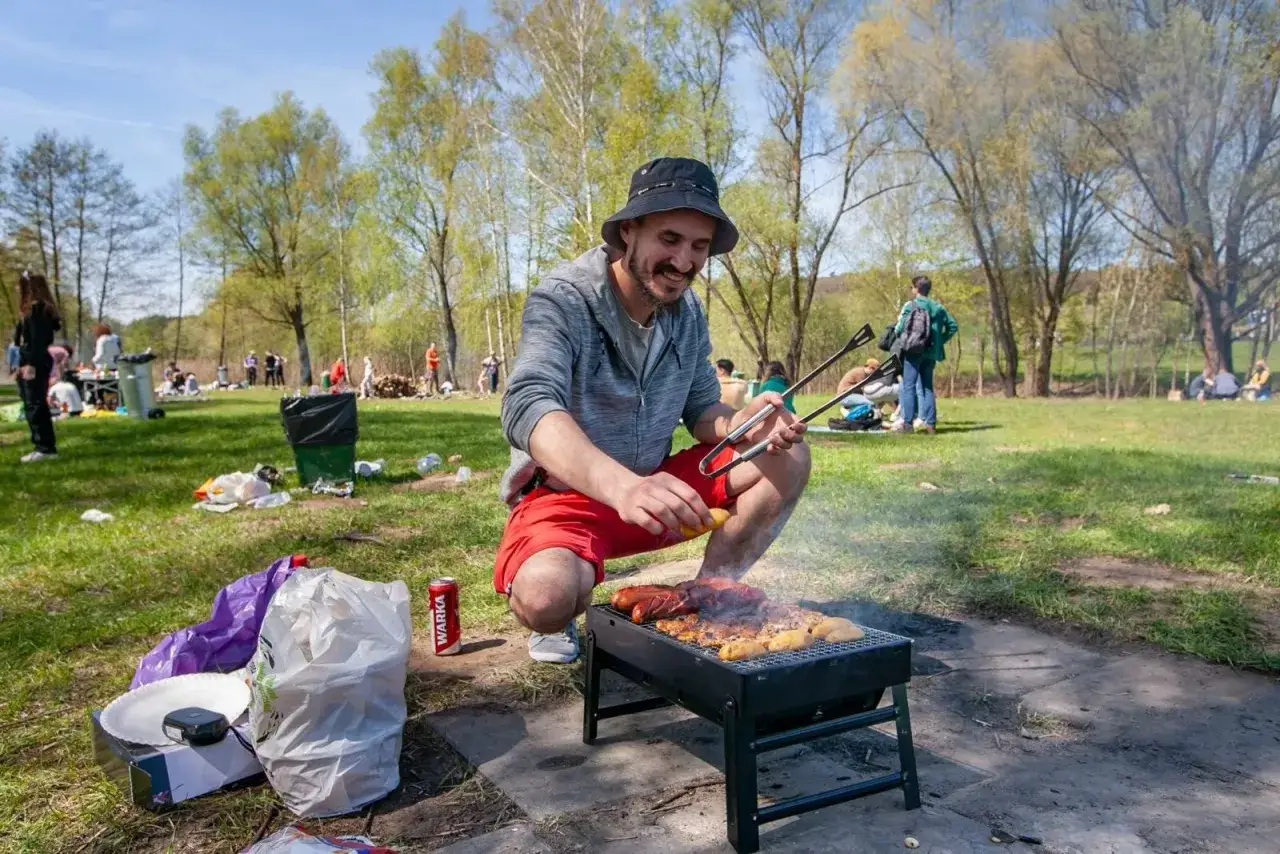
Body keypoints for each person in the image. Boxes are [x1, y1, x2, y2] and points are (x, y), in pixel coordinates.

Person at [497, 156, 809, 664]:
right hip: (569, 499)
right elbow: (528, 405)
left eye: (699, 246)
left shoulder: (686, 313)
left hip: (659, 491)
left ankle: (709, 594)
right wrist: (623, 487)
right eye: (670, 238)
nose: (684, 261)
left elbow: (703, 411)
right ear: (629, 232)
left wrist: (744, 423)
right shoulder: (563, 299)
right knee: (546, 597)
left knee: (789, 456)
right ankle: (556, 614)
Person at [890, 275, 958, 434]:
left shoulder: (911, 306)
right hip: (931, 352)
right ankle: (931, 425)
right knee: (927, 387)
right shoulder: (938, 308)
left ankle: (907, 425)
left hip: (913, 351)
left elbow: (899, 329)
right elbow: (953, 326)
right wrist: (939, 340)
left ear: (915, 289)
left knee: (908, 386)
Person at [13, 272, 60, 462]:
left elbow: (37, 341)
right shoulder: (37, 310)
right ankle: (42, 446)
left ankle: (45, 447)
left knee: (35, 404)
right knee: (31, 402)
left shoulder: (37, 309)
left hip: (36, 360)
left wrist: (30, 364)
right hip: (32, 359)